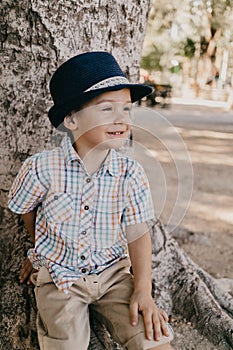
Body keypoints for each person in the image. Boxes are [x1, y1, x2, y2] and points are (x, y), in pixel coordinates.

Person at [8, 51, 174, 350]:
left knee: (153, 338)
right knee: (66, 343)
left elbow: (138, 235)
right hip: (61, 280)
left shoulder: (130, 174)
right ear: (71, 119)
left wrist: (143, 290)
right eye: (107, 109)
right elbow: (26, 211)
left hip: (113, 276)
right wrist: (40, 253)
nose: (121, 119)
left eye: (126, 110)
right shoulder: (41, 168)